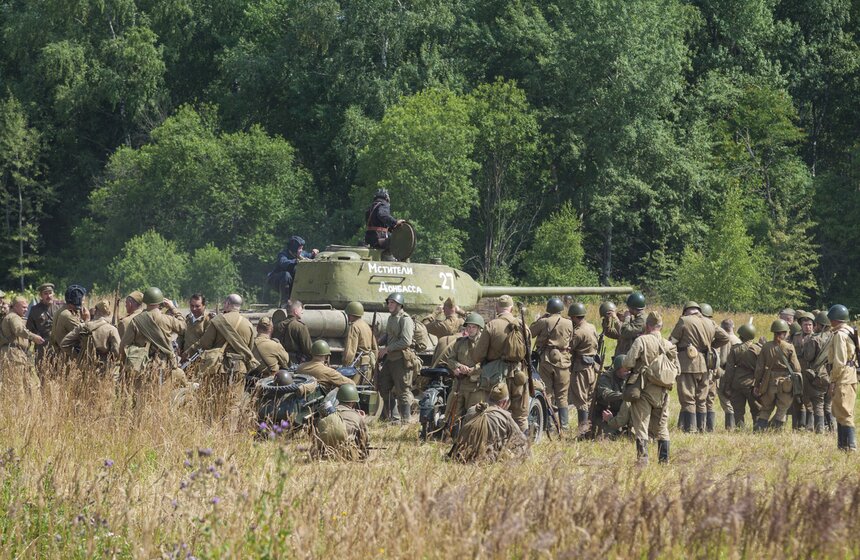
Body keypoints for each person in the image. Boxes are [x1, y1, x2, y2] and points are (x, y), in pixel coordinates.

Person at [619, 311, 678, 464]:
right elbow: (677, 369)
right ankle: (664, 461)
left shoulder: (641, 341)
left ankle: (643, 461)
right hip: (663, 392)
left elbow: (628, 363)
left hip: (643, 389)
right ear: (661, 326)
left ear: (647, 326)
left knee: (641, 426)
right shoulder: (669, 345)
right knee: (662, 428)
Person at [470, 295, 529, 432]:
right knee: (520, 414)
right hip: (518, 373)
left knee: (494, 411)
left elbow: (478, 355)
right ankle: (523, 446)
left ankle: (496, 441)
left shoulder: (492, 325)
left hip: (495, 376)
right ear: (512, 308)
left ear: (497, 308)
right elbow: (528, 352)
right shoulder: (523, 326)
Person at [669, 301, 730, 432]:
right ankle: (702, 429)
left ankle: (690, 429)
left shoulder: (684, 320)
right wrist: (710, 346)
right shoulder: (709, 322)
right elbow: (725, 337)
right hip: (706, 364)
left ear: (685, 311)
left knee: (688, 398)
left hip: (687, 365)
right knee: (702, 399)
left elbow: (672, 341)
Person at [183, 294, 258, 383]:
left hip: (220, 366)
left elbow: (205, 344)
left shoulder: (218, 321)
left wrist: (188, 352)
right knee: (236, 395)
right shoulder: (248, 324)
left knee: (217, 395)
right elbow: (249, 348)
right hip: (240, 368)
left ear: (227, 304)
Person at [448, 382, 529, 463]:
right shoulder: (505, 416)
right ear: (504, 402)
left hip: (463, 455)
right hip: (487, 458)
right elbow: (521, 439)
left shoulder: (472, 410)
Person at [119, 287, 185, 383]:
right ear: (160, 302)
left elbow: (123, 346)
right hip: (164, 366)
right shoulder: (168, 319)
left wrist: (123, 366)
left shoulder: (136, 321)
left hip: (142, 366)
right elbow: (183, 327)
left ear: (145, 301)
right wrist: (173, 308)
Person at [530, 298, 574, 430]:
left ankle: (549, 425)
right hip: (564, 360)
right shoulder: (569, 323)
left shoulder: (544, 322)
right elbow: (571, 339)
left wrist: (539, 319)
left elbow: (530, 332)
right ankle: (564, 426)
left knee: (546, 392)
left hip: (546, 360)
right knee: (562, 395)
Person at [752, 319, 802, 431]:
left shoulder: (766, 347)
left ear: (773, 332)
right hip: (786, 383)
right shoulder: (789, 347)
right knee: (782, 408)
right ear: (785, 332)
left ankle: (759, 430)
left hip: (768, 381)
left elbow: (759, 369)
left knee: (766, 408)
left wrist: (757, 384)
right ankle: (776, 432)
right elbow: (797, 368)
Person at [442, 312, 488, 425]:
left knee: (473, 416)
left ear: (479, 328)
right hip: (459, 385)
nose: (470, 329)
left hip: (475, 387)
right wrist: (457, 366)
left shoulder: (484, 344)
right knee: (452, 414)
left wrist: (473, 369)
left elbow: (486, 362)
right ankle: (451, 437)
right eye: (468, 326)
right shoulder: (459, 343)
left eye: (473, 327)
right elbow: (450, 359)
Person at [377, 293, 416, 424]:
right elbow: (388, 335)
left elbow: (406, 341)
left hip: (401, 359)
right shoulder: (391, 318)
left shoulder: (405, 319)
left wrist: (386, 349)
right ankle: (394, 418)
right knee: (383, 385)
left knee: (403, 391)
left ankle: (406, 421)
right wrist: (377, 342)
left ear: (399, 304)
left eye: (392, 303)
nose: (389, 305)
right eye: (388, 302)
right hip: (390, 359)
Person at [823, 305, 857, 451]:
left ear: (834, 319)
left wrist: (832, 380)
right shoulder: (851, 331)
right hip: (851, 375)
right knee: (840, 410)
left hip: (842, 377)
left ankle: (849, 446)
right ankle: (842, 446)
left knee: (843, 412)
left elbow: (839, 362)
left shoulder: (840, 335)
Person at [0, 296, 45, 397]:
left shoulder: (13, 316)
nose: (26, 309)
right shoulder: (13, 317)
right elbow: (19, 330)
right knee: (16, 387)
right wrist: (33, 337)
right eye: (23, 307)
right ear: (15, 307)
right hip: (13, 355)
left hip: (15, 354)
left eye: (26, 307)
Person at [60, 300, 121, 373]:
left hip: (83, 367)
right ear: (108, 313)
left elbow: (64, 344)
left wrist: (78, 356)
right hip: (102, 369)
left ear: (95, 311)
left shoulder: (83, 326)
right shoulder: (112, 330)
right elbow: (117, 353)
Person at [312, 384, 369, 461]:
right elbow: (364, 439)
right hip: (346, 455)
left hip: (324, 454)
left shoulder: (328, 413)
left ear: (338, 399)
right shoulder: (357, 416)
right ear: (353, 402)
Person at [721, 323, 762, 429]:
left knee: (738, 410)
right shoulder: (758, 349)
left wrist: (727, 386)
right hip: (752, 383)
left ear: (742, 336)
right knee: (756, 409)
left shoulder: (735, 349)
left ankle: (740, 429)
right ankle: (757, 428)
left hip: (737, 383)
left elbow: (729, 370)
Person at [568, 302, 600, 430]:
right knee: (589, 397)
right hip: (591, 366)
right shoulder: (591, 327)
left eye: (571, 317)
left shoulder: (578, 332)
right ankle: (589, 427)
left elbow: (570, 348)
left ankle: (583, 430)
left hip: (580, 368)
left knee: (581, 399)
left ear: (575, 317)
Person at [267, 236, 318, 305]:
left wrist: (314, 254)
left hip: (290, 281)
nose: (301, 250)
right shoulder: (283, 254)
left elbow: (309, 256)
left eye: (302, 248)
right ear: (294, 249)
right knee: (286, 275)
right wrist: (295, 261)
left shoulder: (301, 254)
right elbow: (284, 263)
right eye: (300, 248)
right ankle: (284, 303)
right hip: (276, 279)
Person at [590, 354, 632, 439]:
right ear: (618, 369)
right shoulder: (606, 378)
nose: (627, 372)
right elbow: (606, 394)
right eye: (625, 370)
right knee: (606, 437)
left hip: (620, 413)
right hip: (604, 413)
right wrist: (624, 396)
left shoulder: (628, 377)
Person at [25, 283, 60, 368]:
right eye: (45, 293)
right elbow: (28, 329)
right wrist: (27, 349)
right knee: (42, 373)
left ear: (53, 294)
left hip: (57, 346)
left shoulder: (59, 308)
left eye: (50, 293)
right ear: (41, 295)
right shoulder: (34, 310)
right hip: (42, 347)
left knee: (58, 373)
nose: (48, 296)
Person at [715, 317, 741, 430]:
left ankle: (730, 426)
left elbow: (722, 359)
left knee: (725, 399)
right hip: (738, 373)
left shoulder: (725, 340)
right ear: (733, 326)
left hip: (725, 372)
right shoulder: (738, 340)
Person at [603, 291, 646, 357]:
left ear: (633, 308)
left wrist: (620, 318)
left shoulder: (640, 321)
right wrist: (607, 319)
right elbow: (609, 333)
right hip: (622, 358)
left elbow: (625, 331)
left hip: (628, 359)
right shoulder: (634, 321)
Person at [50, 284, 89, 356]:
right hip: (66, 357)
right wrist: (87, 319)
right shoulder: (67, 315)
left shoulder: (62, 310)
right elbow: (85, 334)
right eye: (82, 300)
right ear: (77, 300)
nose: (83, 303)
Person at [342, 301, 378, 379]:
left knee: (350, 389)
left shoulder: (354, 326)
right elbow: (375, 348)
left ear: (350, 314)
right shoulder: (366, 326)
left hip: (357, 367)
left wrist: (345, 366)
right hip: (368, 366)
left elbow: (350, 351)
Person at [275, 300, 313, 365]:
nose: (302, 312)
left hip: (280, 361)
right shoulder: (300, 327)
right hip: (296, 362)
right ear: (295, 311)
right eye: (301, 310)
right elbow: (308, 349)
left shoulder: (278, 326)